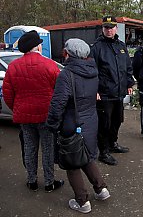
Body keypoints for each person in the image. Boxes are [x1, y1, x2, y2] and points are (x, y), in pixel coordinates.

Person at [46, 38, 110, 213]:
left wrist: (51, 125)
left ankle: (82, 202)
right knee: (87, 155)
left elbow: (58, 104)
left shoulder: (66, 75)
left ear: (69, 53)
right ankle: (101, 189)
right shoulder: (93, 70)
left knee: (72, 162)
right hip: (90, 121)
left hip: (71, 123)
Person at [2, 30, 64, 192]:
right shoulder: (50, 65)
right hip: (46, 115)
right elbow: (59, 92)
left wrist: (17, 108)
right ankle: (49, 182)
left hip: (25, 116)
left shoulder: (13, 67)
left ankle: (32, 181)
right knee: (48, 149)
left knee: (29, 148)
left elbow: (8, 94)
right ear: (37, 47)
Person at [90, 15, 134, 165]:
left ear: (116, 28)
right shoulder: (96, 47)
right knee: (104, 124)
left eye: (111, 27)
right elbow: (92, 71)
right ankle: (103, 151)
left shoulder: (121, 46)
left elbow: (127, 67)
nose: (109, 30)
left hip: (119, 92)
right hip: (104, 94)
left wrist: (129, 83)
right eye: (106, 28)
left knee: (117, 120)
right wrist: (94, 90)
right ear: (102, 29)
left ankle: (113, 143)